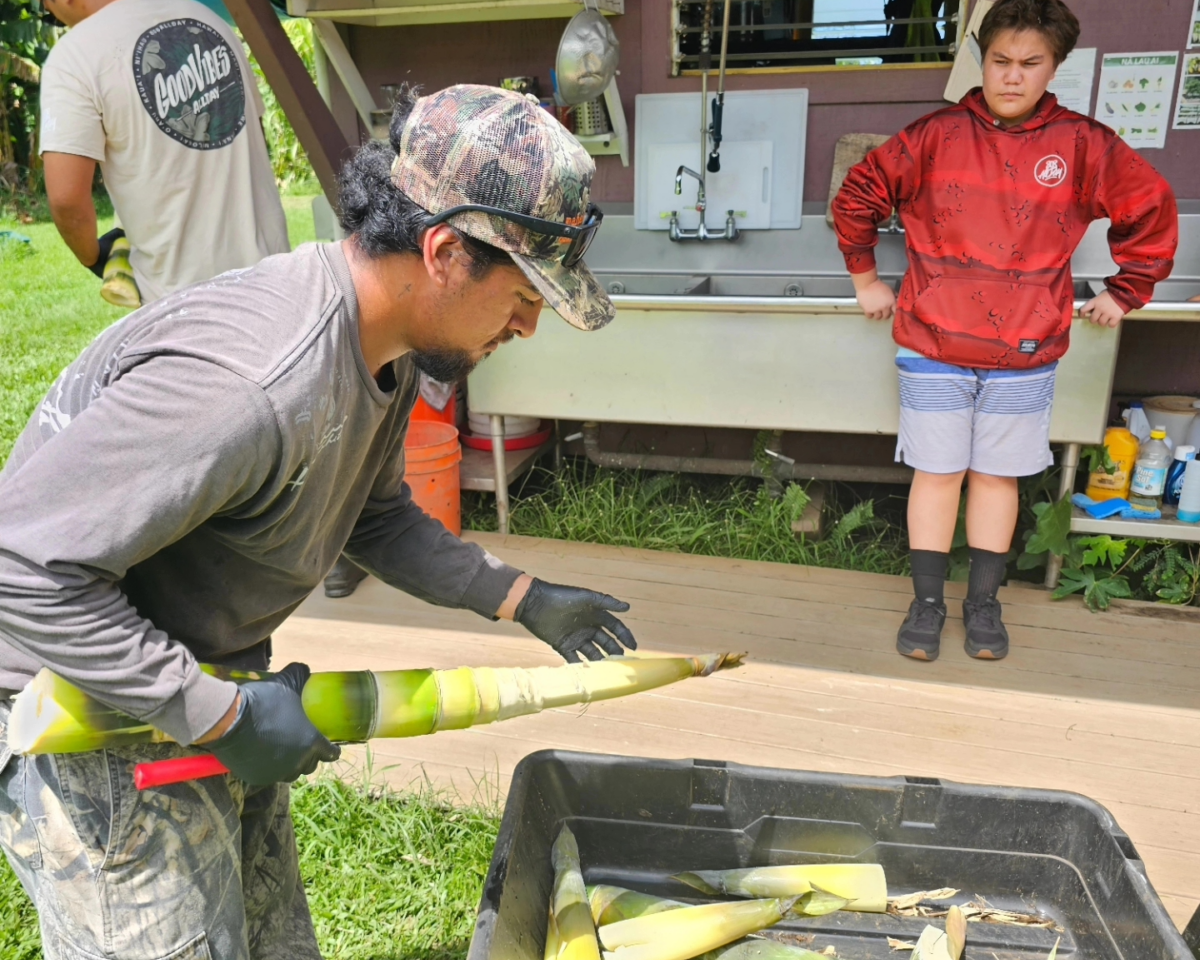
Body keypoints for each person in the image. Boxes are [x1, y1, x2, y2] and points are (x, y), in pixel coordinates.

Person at [0, 84, 629, 959]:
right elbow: (20, 567)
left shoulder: (388, 349)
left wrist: (518, 596)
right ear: (445, 251)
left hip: (212, 675)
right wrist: (216, 715)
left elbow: (372, 517)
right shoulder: (250, 384)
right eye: (526, 293)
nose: (530, 323)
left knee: (270, 943)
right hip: (88, 708)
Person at [832, 0, 1177, 662]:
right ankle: (927, 604)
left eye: (1030, 64)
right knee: (937, 473)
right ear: (981, 60)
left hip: (1026, 351)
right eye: (1000, 62)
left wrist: (1125, 292)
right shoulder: (933, 136)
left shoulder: (1084, 144)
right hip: (933, 344)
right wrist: (865, 280)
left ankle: (984, 605)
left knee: (996, 478)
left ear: (1054, 67)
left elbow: (1151, 208)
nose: (1013, 77)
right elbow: (859, 196)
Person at [38, 0, 288, 304]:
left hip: (184, 301)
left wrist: (93, 257)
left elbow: (66, 200)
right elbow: (252, 135)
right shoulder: (208, 19)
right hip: (274, 282)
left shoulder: (74, 57)